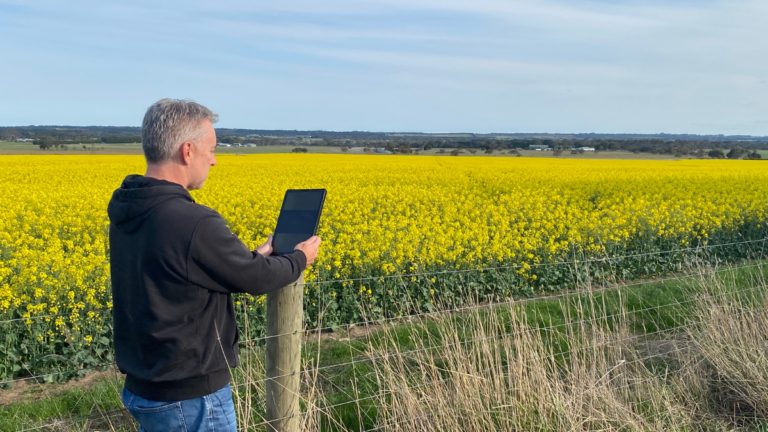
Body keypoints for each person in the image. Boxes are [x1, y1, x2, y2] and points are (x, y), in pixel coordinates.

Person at [107, 98, 321, 432]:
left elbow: (176, 270)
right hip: (190, 397)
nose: (215, 160)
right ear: (187, 151)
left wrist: (252, 257)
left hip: (146, 388)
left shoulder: (130, 207)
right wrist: (299, 258)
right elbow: (257, 280)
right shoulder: (191, 221)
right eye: (211, 149)